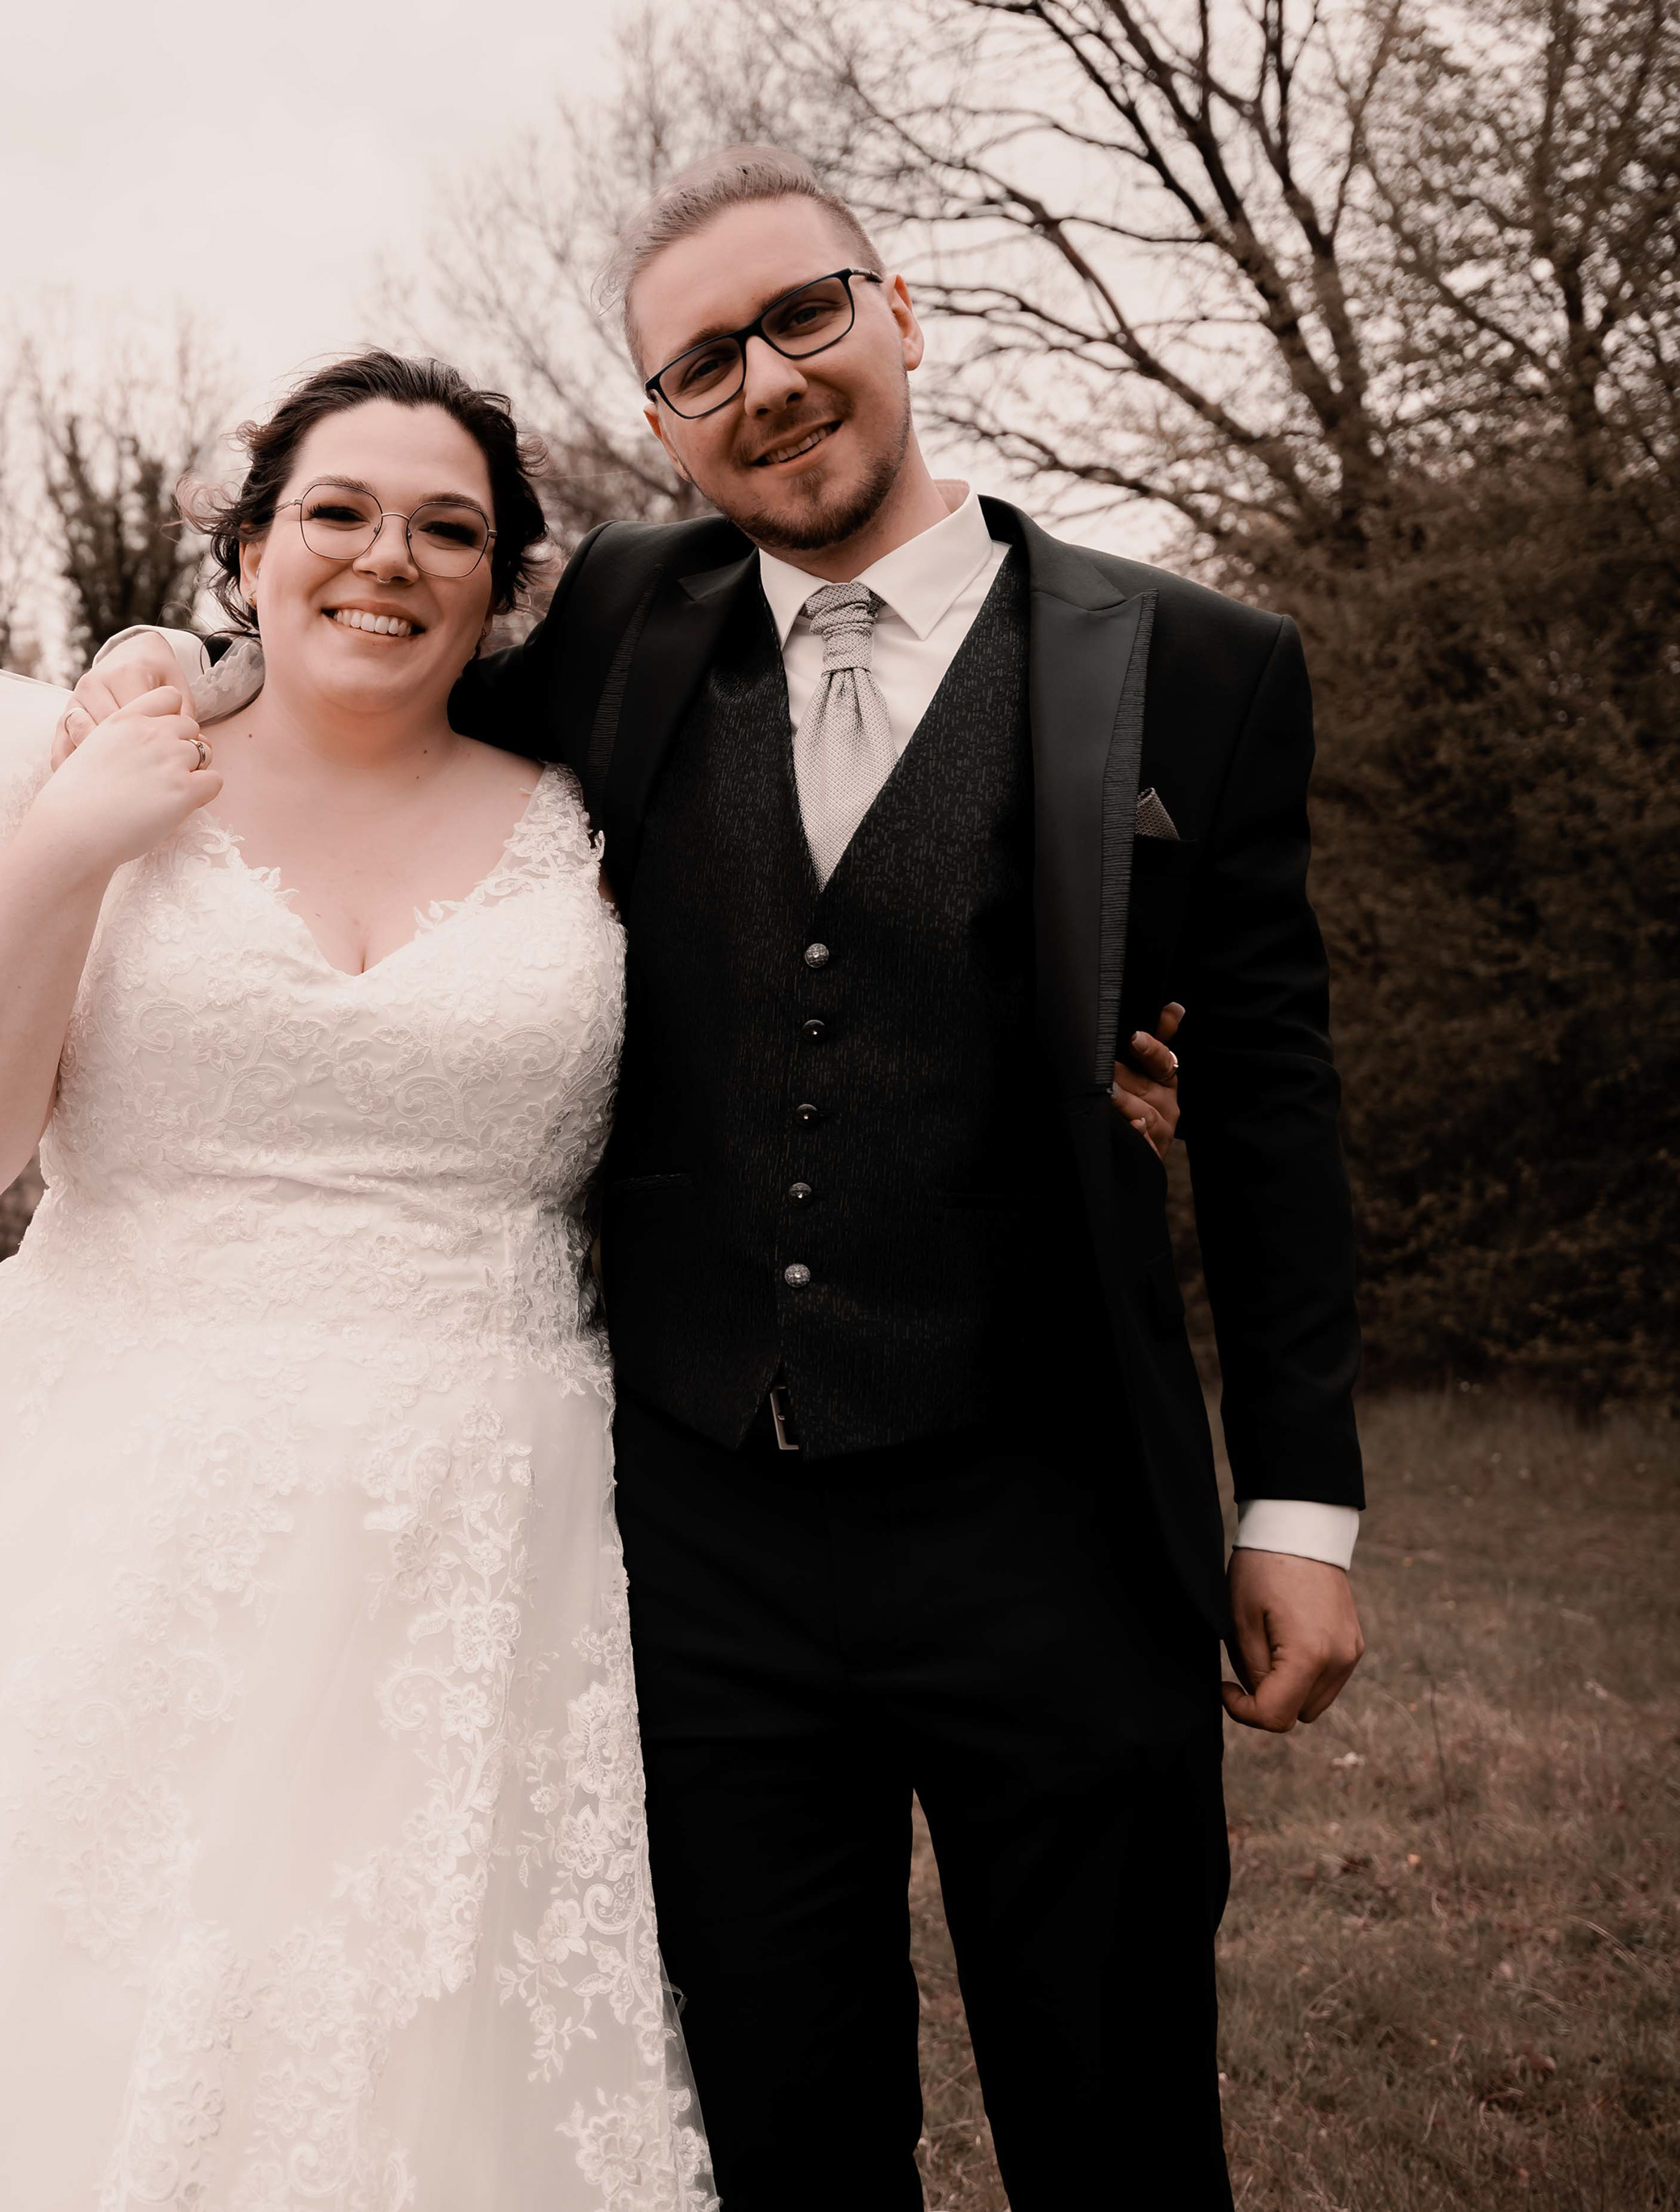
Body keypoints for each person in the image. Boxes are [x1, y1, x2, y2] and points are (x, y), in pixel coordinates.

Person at [79, 150, 1365, 2210]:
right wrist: (174, 656)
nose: (764, 382)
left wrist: (1299, 1504)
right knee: (774, 2135)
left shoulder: (1198, 665)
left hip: (1050, 1510)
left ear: (899, 311)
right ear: (665, 421)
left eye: (802, 316)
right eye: (701, 363)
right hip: (697, 1538)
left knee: (1117, 2113)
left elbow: (1276, 1105)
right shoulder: (621, 618)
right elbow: (371, 688)